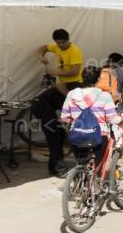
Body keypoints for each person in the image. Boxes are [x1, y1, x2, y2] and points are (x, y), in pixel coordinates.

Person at [32, 28, 84, 177]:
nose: (60, 46)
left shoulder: (75, 51)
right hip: (44, 104)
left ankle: (78, 163)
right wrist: (41, 56)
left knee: (67, 131)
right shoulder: (56, 47)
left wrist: (55, 73)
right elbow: (43, 48)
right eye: (58, 43)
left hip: (68, 86)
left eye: (63, 42)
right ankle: (59, 169)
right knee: (55, 133)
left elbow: (74, 71)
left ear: (69, 39)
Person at [58, 65, 123, 172]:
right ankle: (97, 183)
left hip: (77, 136)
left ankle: (81, 182)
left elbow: (64, 118)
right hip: (98, 137)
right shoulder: (105, 96)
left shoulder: (72, 94)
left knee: (82, 165)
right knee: (98, 169)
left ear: (82, 78)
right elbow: (113, 120)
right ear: (98, 79)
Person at [99, 52, 123, 122]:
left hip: (99, 106)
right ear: (121, 63)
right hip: (115, 106)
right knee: (116, 129)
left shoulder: (100, 71)